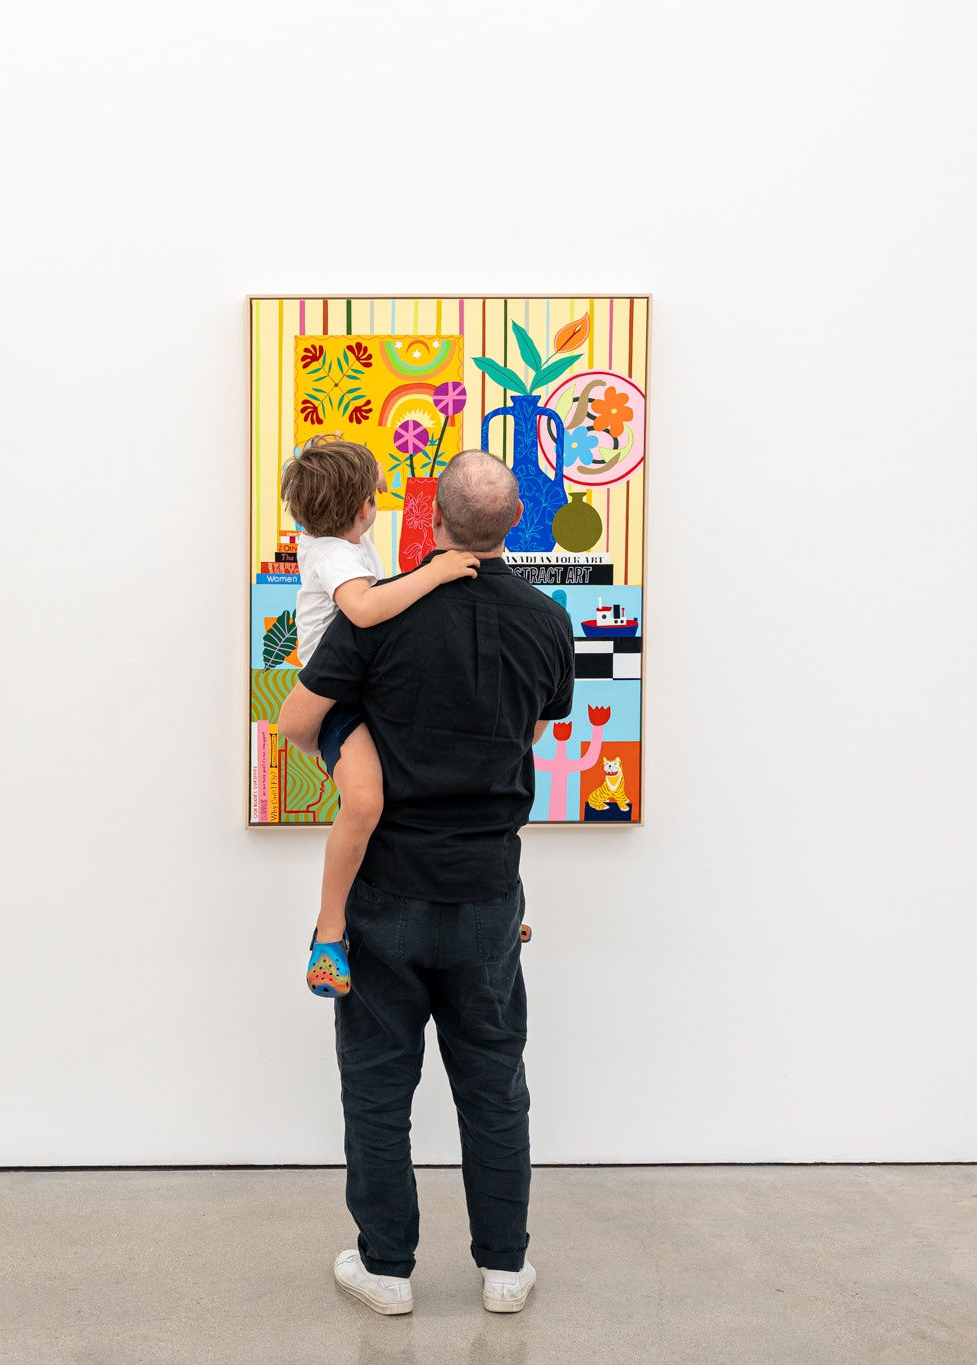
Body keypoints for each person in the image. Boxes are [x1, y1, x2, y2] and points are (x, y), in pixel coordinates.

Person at [277, 449, 575, 1318]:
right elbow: (548, 713)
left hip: (387, 893)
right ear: (511, 523)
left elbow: (300, 718)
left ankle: (387, 1268)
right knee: (493, 1081)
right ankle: (505, 1268)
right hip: (487, 892)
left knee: (377, 1086)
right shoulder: (544, 622)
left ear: (431, 517)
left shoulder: (375, 616)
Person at [278, 435, 479, 998]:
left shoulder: (346, 544)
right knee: (365, 802)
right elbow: (366, 610)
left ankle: (479, 911)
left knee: (440, 776)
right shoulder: (334, 554)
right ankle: (329, 932)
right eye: (375, 493)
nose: (381, 499)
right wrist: (435, 572)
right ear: (361, 505)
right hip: (340, 704)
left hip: (369, 695)